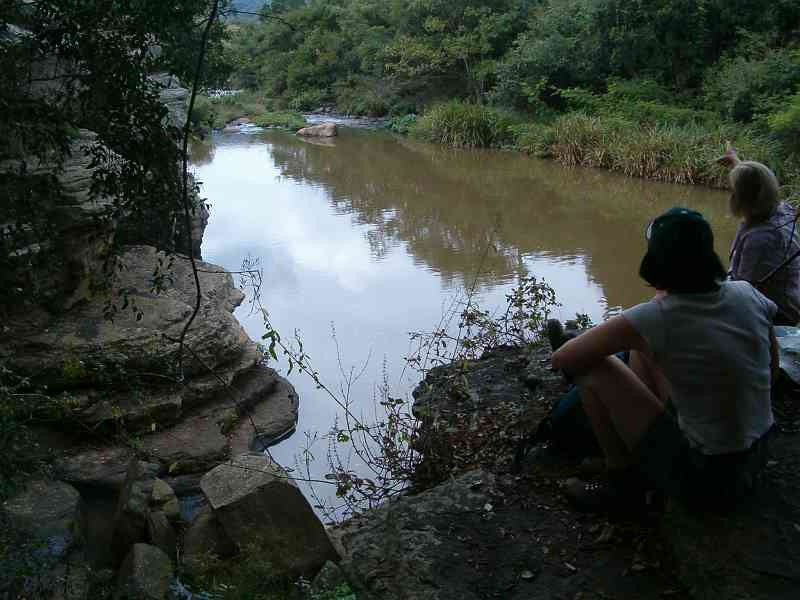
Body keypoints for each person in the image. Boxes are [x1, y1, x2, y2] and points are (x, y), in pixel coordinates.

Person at [551, 207, 777, 512]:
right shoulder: (747, 293)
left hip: (705, 478)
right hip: (756, 454)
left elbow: (563, 359)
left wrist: (583, 343)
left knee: (593, 367)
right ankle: (641, 452)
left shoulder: (657, 316)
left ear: (656, 262)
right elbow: (772, 368)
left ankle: (621, 481)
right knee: (640, 349)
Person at [718, 145, 800, 325]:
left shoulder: (761, 239)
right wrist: (736, 163)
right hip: (785, 300)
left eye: (733, 191)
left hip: (775, 314)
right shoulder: (782, 210)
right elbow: (757, 183)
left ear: (741, 198)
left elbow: (745, 294)